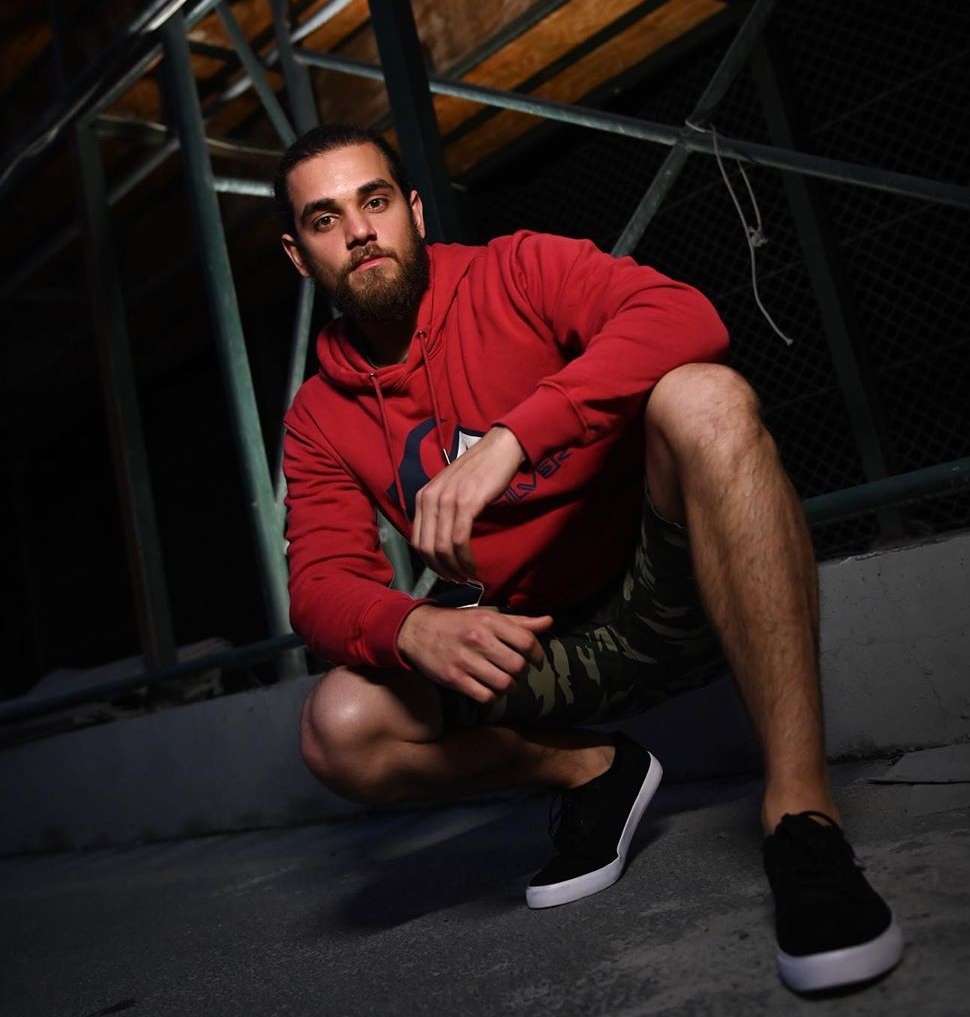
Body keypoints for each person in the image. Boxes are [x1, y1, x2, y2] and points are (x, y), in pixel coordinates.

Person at [276, 123, 903, 993]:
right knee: (339, 726)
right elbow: (318, 585)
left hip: (670, 583)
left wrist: (512, 438)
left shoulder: (516, 270)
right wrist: (411, 626)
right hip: (536, 643)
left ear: (413, 211)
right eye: (325, 218)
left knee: (706, 395)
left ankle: (802, 817)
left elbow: (684, 316)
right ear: (299, 255)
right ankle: (594, 771)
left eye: (374, 201)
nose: (359, 231)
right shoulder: (318, 414)